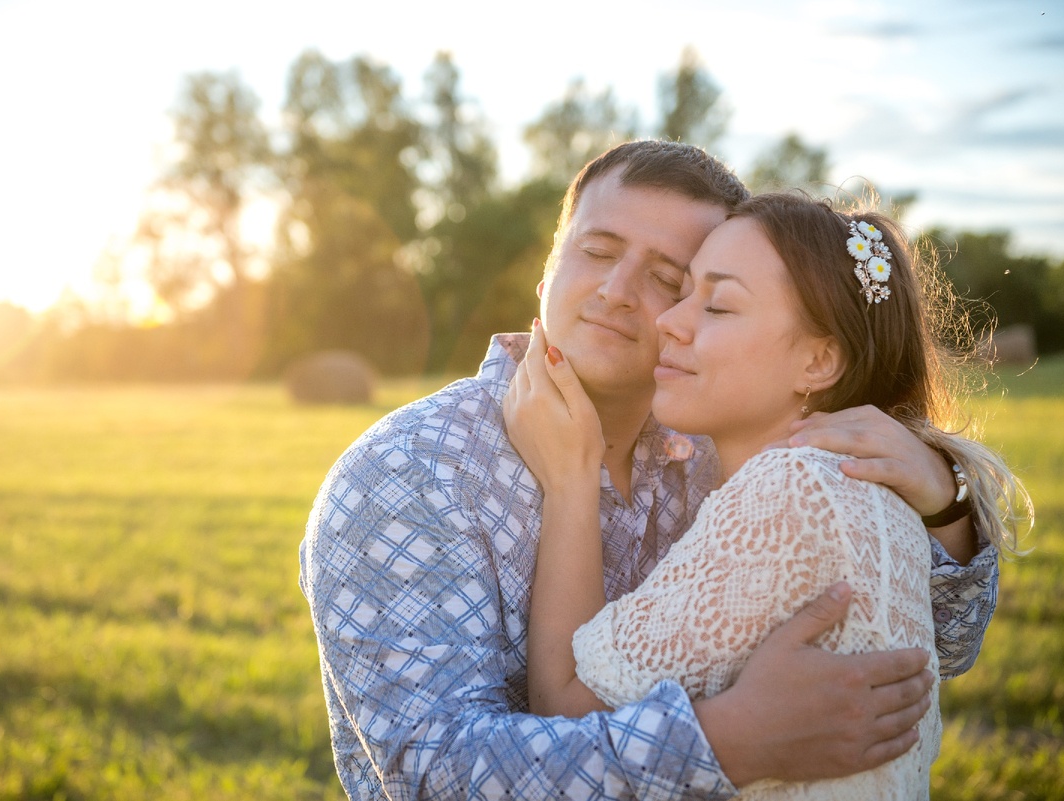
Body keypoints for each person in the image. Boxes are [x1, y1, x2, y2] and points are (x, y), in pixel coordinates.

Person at [300, 140, 1000, 800]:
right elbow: (438, 775)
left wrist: (944, 501)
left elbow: (930, 647)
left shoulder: (726, 446)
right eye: (597, 251)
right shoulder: (408, 472)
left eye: (674, 279)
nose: (617, 290)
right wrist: (727, 740)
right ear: (548, 269)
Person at [504, 192, 1027, 799]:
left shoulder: (790, 492)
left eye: (719, 305)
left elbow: (567, 710)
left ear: (819, 360)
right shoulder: (862, 481)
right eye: (684, 292)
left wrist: (572, 479)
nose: (669, 321)